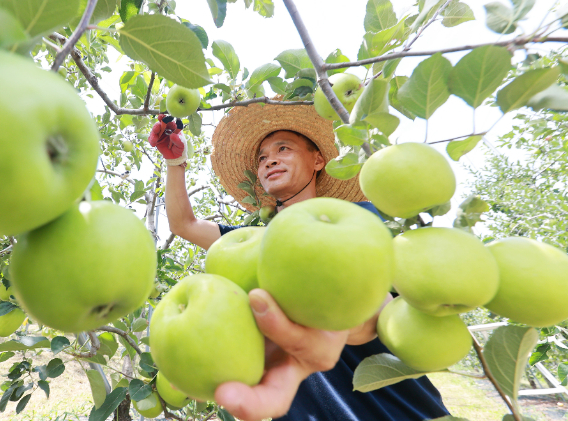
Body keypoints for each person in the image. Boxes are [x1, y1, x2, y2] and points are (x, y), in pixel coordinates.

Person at [148, 102, 451, 421]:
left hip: (396, 407)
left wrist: (354, 318)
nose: (270, 160)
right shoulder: (257, 246)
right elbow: (184, 225)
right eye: (262, 158)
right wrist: (176, 162)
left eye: (284, 148)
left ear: (318, 160)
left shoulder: (362, 219)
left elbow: (397, 304)